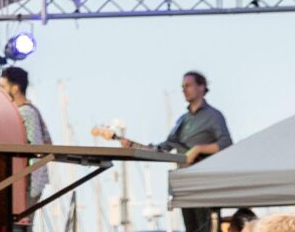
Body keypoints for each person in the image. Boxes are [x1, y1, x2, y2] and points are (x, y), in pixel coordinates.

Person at [94, 69, 232, 165]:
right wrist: (134, 146)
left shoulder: (213, 115)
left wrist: (198, 149)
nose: (184, 89)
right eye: (183, 86)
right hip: (184, 180)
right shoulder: (182, 120)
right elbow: (164, 148)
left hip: (206, 178)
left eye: (188, 85)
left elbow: (226, 144)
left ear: (202, 87)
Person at [0, 67, 49, 206]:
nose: (1, 91)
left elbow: (35, 146)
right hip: (26, 182)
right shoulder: (27, 111)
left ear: (15, 89)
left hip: (28, 183)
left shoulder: (26, 112)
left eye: (3, 86)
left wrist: (33, 188)